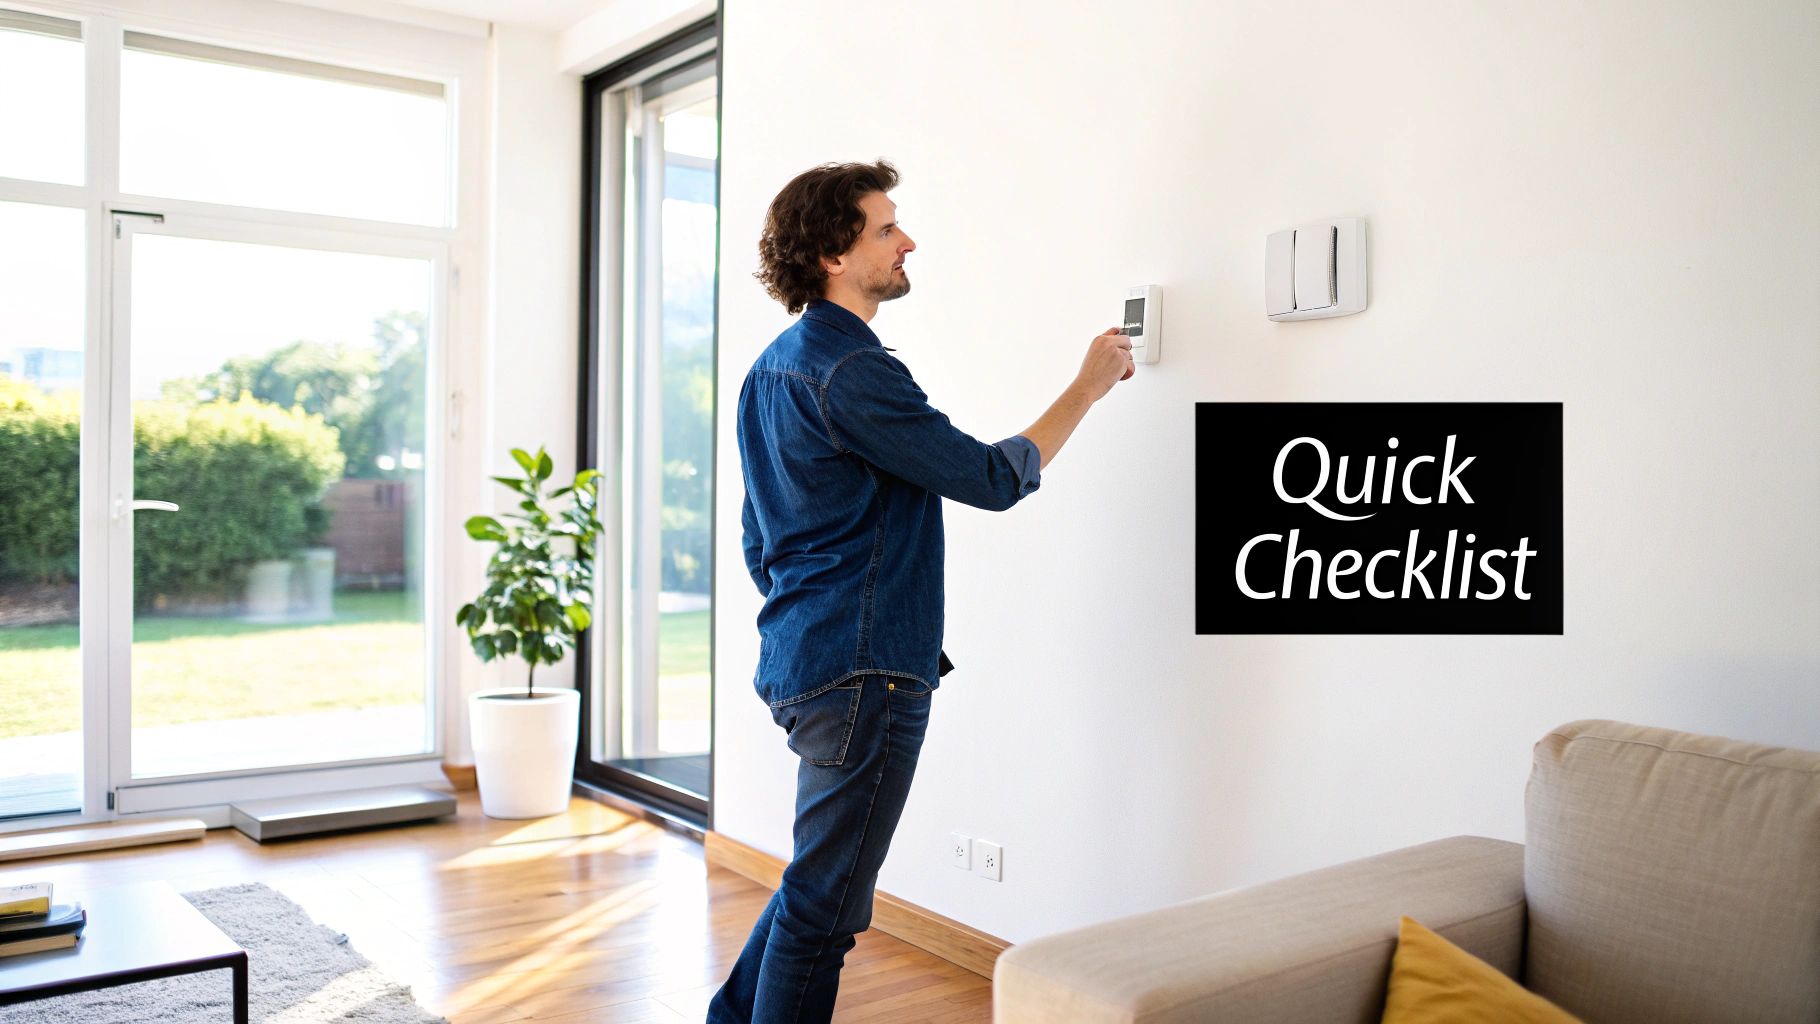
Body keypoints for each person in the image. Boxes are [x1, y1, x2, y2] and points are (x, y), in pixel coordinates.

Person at [707, 159, 1132, 1023]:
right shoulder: (852, 371)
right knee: (826, 909)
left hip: (806, 657)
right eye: (885, 228)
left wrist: (812, 615)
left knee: (814, 886)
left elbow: (761, 540)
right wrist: (1086, 389)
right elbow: (987, 477)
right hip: (864, 673)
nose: (908, 241)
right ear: (833, 252)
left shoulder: (770, 370)